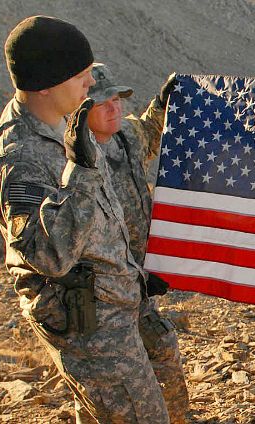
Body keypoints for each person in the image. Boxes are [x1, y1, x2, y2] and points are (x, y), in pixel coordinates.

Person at [0, 16, 169, 422]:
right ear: (45, 83)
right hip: (91, 328)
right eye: (80, 74)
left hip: (114, 309)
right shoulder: (19, 158)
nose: (90, 81)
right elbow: (47, 256)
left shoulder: (66, 121)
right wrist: (81, 172)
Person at [86, 63, 189, 423]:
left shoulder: (126, 135)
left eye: (116, 99)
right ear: (79, 111)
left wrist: (163, 102)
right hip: (103, 293)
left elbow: (149, 131)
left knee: (162, 349)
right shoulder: (72, 157)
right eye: (103, 103)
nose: (114, 108)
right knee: (106, 385)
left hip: (138, 283)